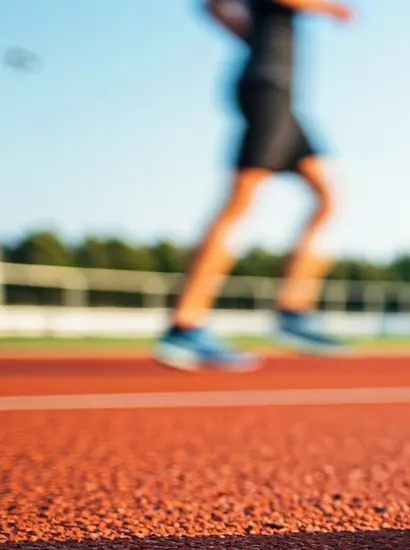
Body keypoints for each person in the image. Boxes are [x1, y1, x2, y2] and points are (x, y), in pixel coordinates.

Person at [156, 0, 353, 372]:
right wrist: (329, 8)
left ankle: (293, 311)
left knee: (329, 198)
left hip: (278, 94)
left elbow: (212, 6)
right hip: (268, 89)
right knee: (239, 203)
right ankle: (186, 324)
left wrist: (250, 33)